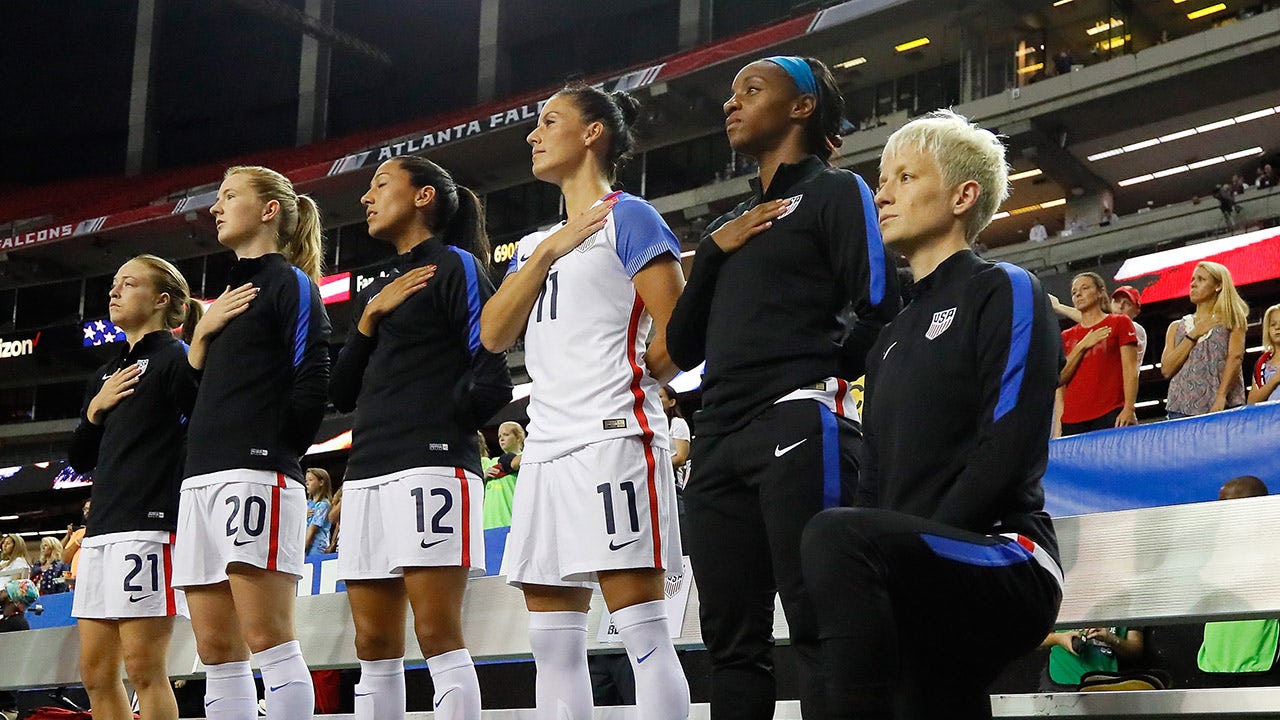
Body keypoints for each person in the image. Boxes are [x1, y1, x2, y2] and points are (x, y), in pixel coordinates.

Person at [800, 109, 1063, 719]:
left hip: (1005, 554)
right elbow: (876, 485)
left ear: (962, 195)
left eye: (905, 178)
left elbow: (1011, 450)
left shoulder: (1004, 289)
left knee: (836, 535)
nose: (882, 193)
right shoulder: (889, 338)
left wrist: (905, 559)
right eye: (880, 180)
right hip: (915, 566)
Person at [665, 55, 899, 719]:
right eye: (731, 93)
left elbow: (881, 305)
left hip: (797, 422)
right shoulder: (731, 223)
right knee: (730, 646)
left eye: (752, 89)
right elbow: (681, 348)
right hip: (715, 445)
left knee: (820, 625)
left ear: (801, 107)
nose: (730, 104)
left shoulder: (834, 191)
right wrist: (711, 251)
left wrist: (822, 376)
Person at [481, 83, 689, 720]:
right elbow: (493, 334)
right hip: (544, 449)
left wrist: (636, 380)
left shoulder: (629, 216)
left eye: (550, 121)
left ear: (594, 132)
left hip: (611, 438)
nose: (533, 134)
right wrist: (547, 250)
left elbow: (681, 331)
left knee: (644, 636)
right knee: (551, 648)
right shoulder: (534, 244)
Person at [329, 155, 513, 720]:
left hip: (431, 468)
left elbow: (493, 376)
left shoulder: (456, 265)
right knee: (372, 647)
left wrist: (439, 424)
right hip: (366, 472)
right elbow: (341, 393)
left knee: (436, 633)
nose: (367, 197)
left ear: (424, 196)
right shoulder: (380, 289)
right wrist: (367, 320)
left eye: (381, 184)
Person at [174, 165, 331, 720]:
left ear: (269, 210)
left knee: (268, 636)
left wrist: (273, 451)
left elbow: (312, 377)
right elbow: (197, 395)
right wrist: (200, 338)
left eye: (228, 196)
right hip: (200, 479)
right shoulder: (220, 302)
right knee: (216, 651)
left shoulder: (290, 283)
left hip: (255, 475)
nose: (215, 208)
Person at [66, 254, 202, 720]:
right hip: (103, 529)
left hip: (147, 527)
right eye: (113, 284)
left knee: (145, 668)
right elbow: (81, 459)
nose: (114, 291)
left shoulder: (174, 360)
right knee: (96, 675)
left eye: (129, 283)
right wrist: (94, 409)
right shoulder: (103, 374)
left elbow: (195, 435)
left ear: (162, 300)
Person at [1198, 475, 1276, 674]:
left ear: (1256, 509)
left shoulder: (1273, 551)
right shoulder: (1213, 553)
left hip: (1262, 666)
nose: (1220, 514)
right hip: (1211, 665)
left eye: (1227, 506)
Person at [1160, 261, 1248, 418]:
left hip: (1222, 406)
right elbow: (1166, 369)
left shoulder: (1232, 321)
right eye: (1193, 279)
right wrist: (1194, 333)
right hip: (1179, 409)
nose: (1193, 284)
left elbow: (1235, 358)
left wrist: (1221, 396)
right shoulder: (1176, 327)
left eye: (1201, 279)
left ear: (1218, 286)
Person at [1057, 272, 1138, 434]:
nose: (1078, 294)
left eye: (1085, 288)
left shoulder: (1119, 323)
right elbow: (1059, 380)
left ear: (1100, 292)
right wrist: (1082, 345)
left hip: (1110, 413)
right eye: (1074, 292)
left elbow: (1130, 369)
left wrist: (1129, 407)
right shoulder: (1065, 336)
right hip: (1072, 420)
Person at [483, 421, 526, 530]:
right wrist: (483, 476)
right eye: (499, 436)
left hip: (513, 522)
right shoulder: (489, 462)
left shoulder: (527, 460)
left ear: (519, 437)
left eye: (506, 435)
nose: (501, 439)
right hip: (488, 524)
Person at [1248, 303, 1280, 404]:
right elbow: (1251, 402)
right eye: (1273, 324)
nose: (1277, 328)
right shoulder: (1262, 365)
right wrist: (1275, 379)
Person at [304, 468, 334, 558]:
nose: (307, 483)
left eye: (311, 480)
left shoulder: (324, 505)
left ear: (321, 482)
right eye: (306, 481)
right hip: (303, 546)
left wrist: (300, 551)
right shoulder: (307, 504)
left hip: (315, 550)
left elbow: (312, 531)